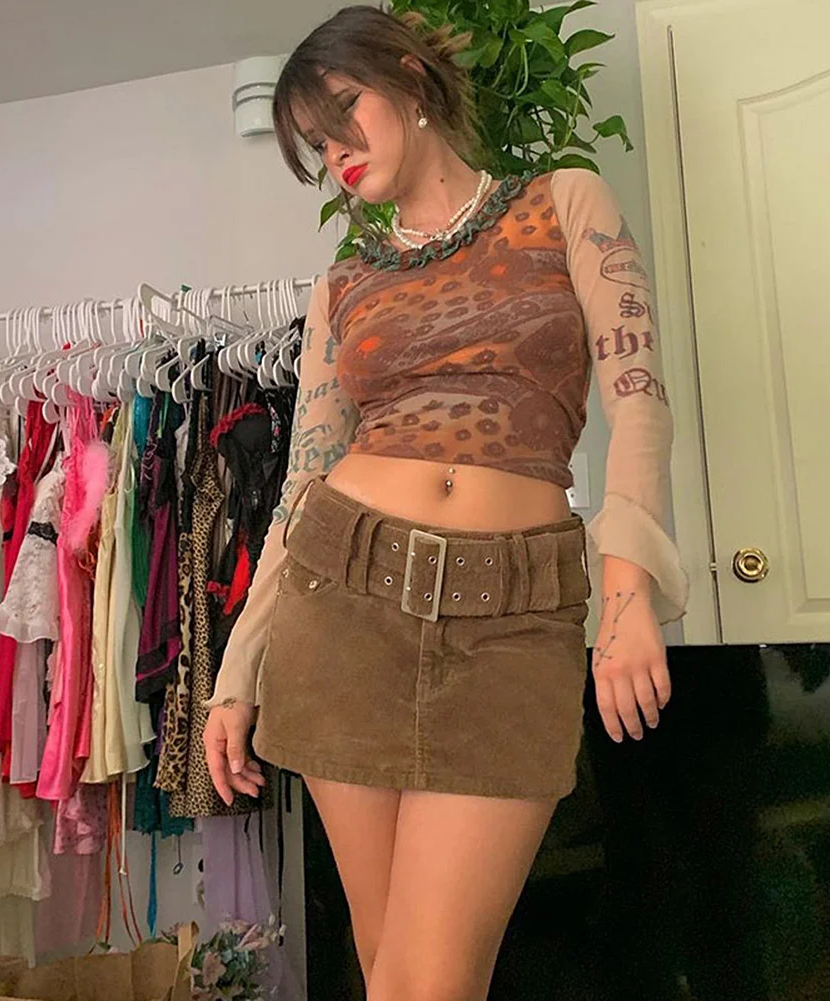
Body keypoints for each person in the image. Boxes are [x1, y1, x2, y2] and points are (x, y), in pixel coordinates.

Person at [203, 5, 688, 999]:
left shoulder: (563, 201)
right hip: (342, 602)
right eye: (314, 143)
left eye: (345, 110)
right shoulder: (344, 283)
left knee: (429, 978)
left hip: (511, 615)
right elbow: (304, 479)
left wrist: (626, 589)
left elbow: (638, 396)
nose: (335, 151)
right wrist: (237, 666)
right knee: (393, 972)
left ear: (411, 77)